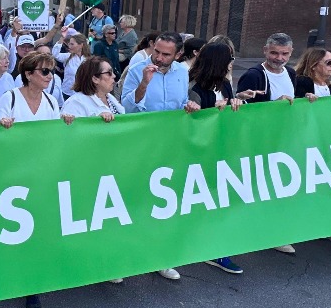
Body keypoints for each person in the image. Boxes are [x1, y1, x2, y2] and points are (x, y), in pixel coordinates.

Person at [0, 50, 74, 308]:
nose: (51, 76)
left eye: (52, 71)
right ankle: (9, 275)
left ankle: (32, 286)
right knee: (14, 228)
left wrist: (66, 123)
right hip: (14, 176)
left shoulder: (52, 101)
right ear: (28, 74)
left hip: (41, 176)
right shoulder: (11, 97)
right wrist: (1, 125)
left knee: (36, 229)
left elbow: (54, 138)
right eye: (45, 71)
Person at [120, 33, 186, 280]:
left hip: (170, 148)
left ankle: (160, 257)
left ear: (178, 54)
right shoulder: (138, 69)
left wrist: (190, 105)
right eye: (156, 51)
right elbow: (125, 108)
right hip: (141, 148)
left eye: (165, 54)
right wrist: (144, 84)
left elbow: (179, 104)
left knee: (164, 204)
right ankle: (125, 259)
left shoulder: (182, 72)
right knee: (135, 204)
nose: (158, 57)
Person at [183, 43, 248, 274]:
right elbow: (192, 126)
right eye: (229, 59)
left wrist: (236, 103)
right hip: (201, 157)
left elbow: (231, 116)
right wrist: (209, 110)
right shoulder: (194, 89)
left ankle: (218, 249)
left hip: (224, 152)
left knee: (221, 202)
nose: (232, 63)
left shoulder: (226, 85)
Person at [235, 33, 297, 105]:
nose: (279, 58)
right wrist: (275, 104)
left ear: (291, 52)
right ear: (265, 50)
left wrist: (306, 98)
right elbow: (243, 109)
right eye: (274, 53)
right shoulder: (253, 76)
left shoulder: (291, 73)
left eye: (285, 54)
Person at [63, 55, 126, 120]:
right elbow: (71, 128)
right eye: (109, 73)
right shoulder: (75, 103)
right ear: (95, 79)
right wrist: (96, 120)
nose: (114, 76)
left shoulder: (110, 98)